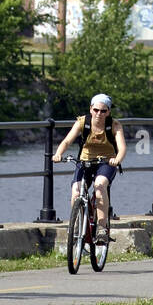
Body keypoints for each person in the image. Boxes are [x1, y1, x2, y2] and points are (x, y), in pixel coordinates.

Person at [52, 94, 127, 243]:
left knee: (99, 187)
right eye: (96, 110)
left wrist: (117, 159)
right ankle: (76, 225)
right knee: (76, 191)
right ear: (91, 109)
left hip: (106, 162)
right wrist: (58, 154)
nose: (99, 114)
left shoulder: (114, 125)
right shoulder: (82, 122)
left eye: (103, 111)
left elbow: (122, 147)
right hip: (85, 161)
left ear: (109, 112)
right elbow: (67, 141)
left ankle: (101, 227)